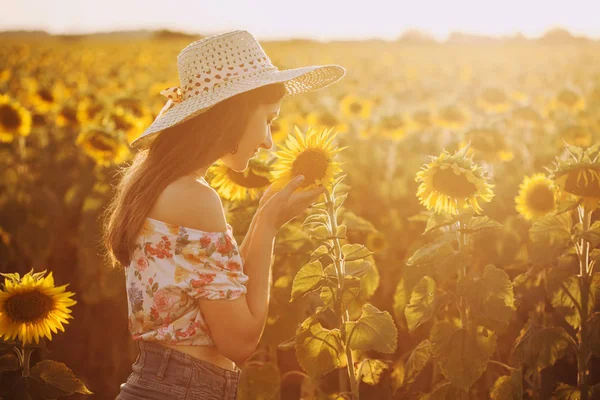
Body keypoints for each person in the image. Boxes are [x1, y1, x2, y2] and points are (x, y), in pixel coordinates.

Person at [102, 30, 345, 399]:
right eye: (268, 120)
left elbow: (224, 289)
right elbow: (240, 341)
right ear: (233, 115)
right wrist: (268, 226)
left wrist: (266, 210)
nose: (269, 141)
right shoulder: (194, 198)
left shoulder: (161, 183)